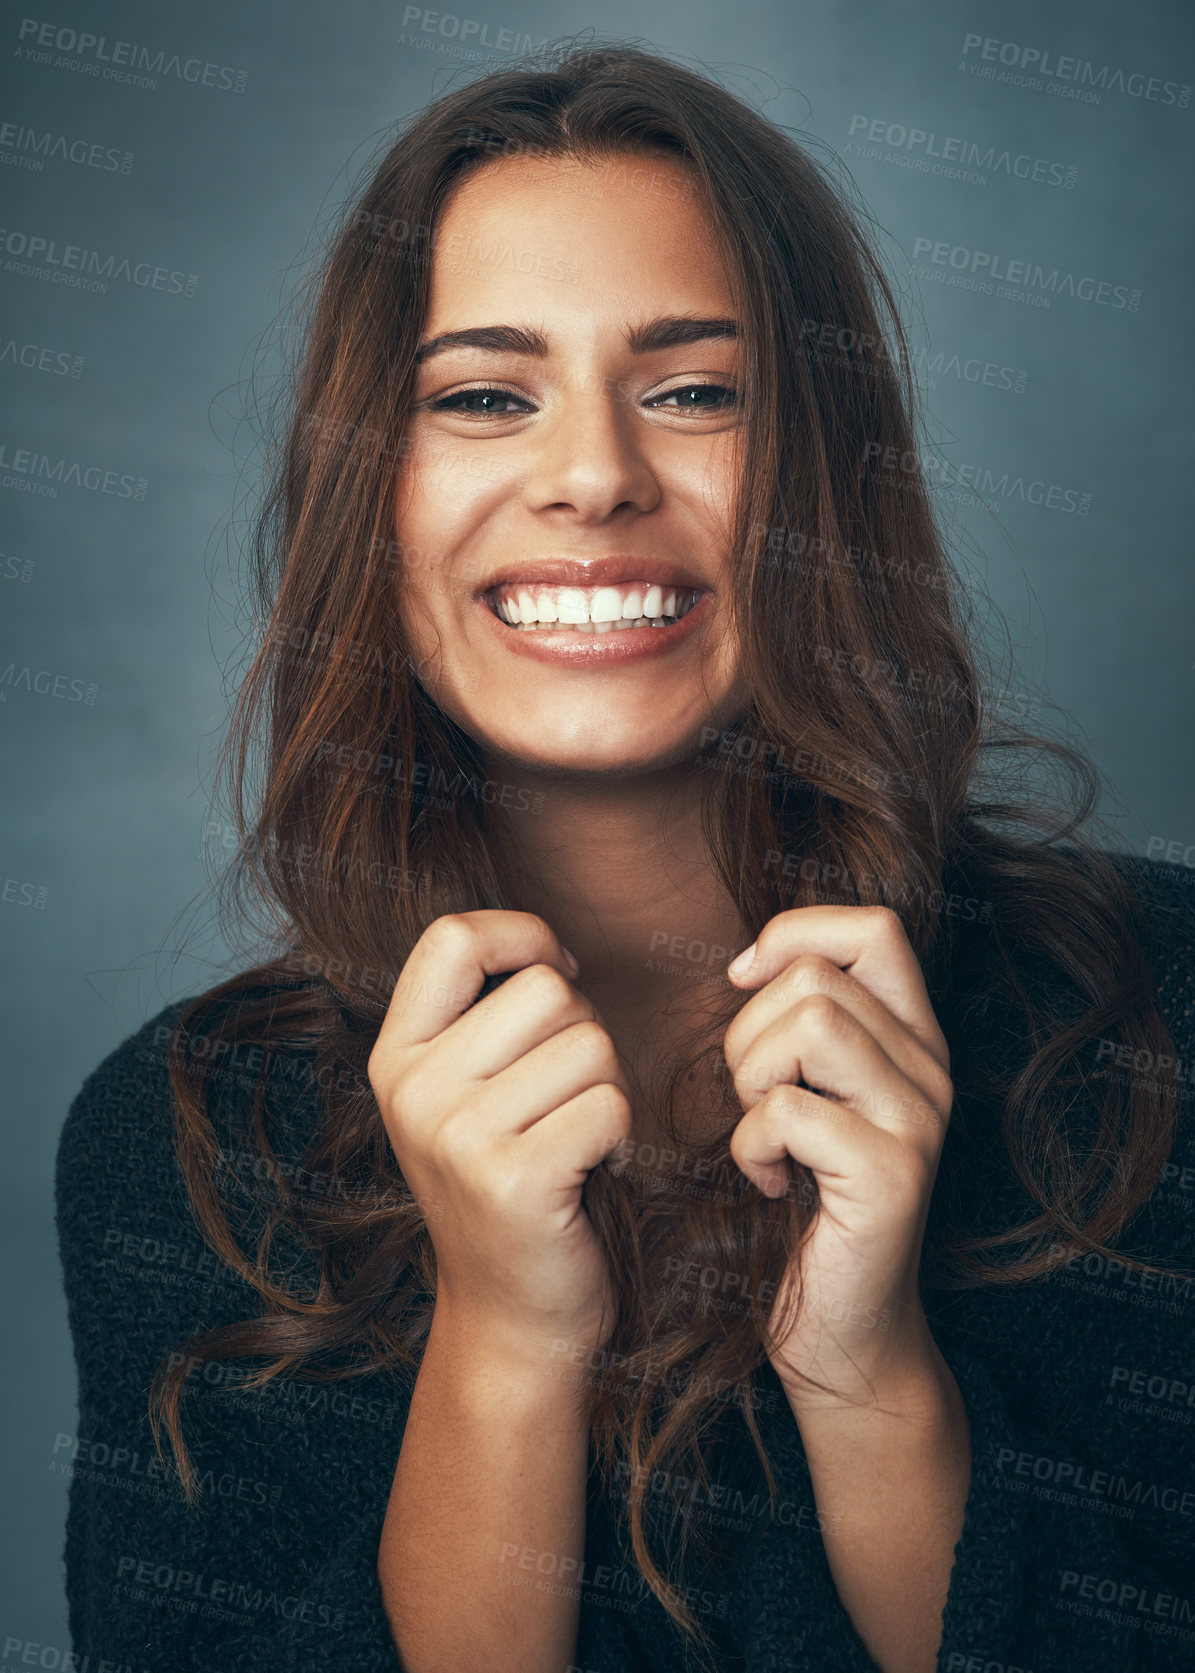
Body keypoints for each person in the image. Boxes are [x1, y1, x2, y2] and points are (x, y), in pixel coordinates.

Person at [54, 39, 1195, 1673]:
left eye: (695, 391)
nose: (592, 475)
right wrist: (506, 1346)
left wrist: (868, 1369)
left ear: (827, 469)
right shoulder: (181, 1145)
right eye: (483, 397)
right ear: (366, 502)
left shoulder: (1162, 1023)